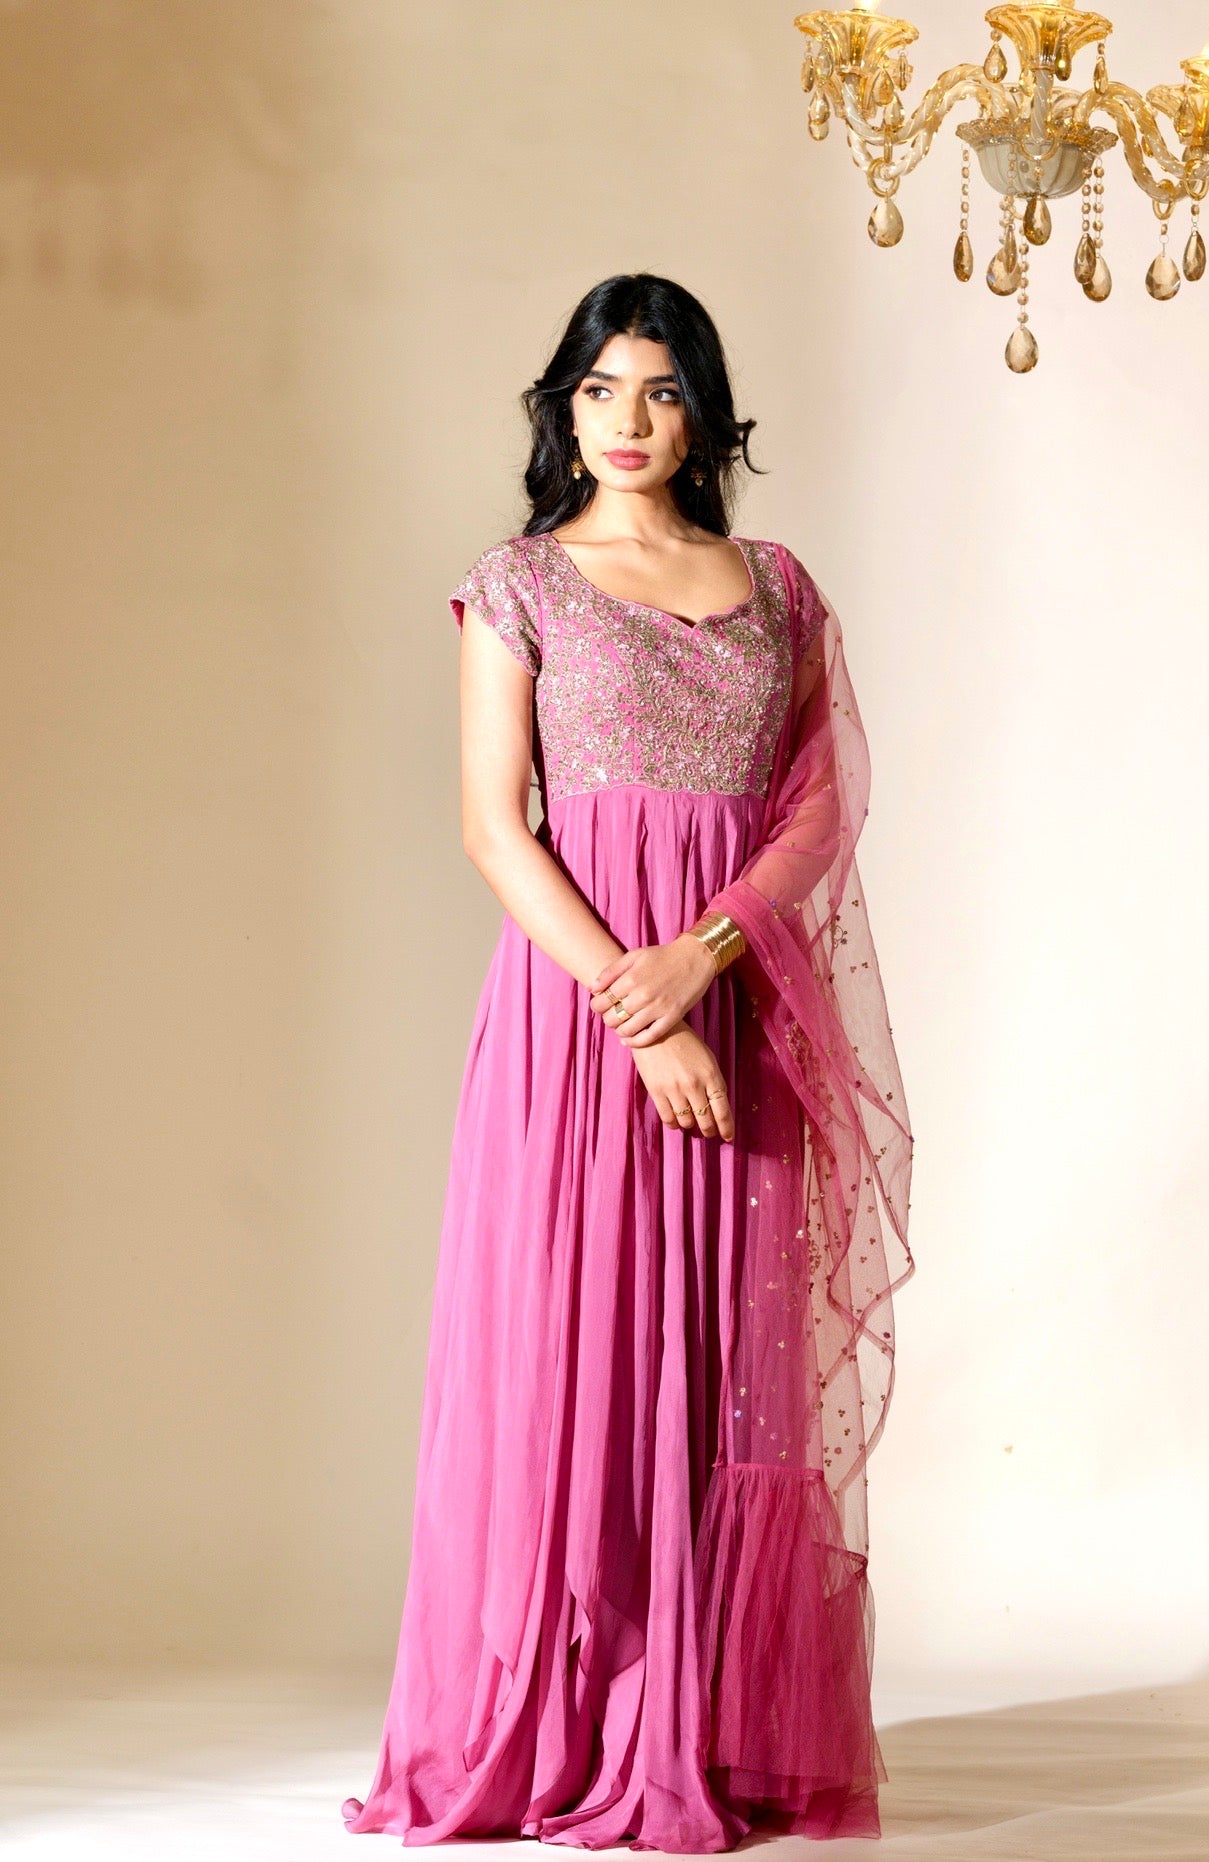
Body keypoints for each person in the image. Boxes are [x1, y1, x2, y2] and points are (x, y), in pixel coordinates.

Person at [341, 273, 914, 1853]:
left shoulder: (778, 585)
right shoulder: (517, 582)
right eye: (601, 389)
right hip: (577, 1022)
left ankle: (710, 1726)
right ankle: (560, 1720)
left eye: (661, 390)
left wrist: (703, 960)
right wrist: (630, 996)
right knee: (570, 1350)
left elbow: (818, 809)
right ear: (564, 408)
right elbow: (491, 824)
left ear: (706, 409)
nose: (631, 420)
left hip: (732, 1000)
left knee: (727, 1353)